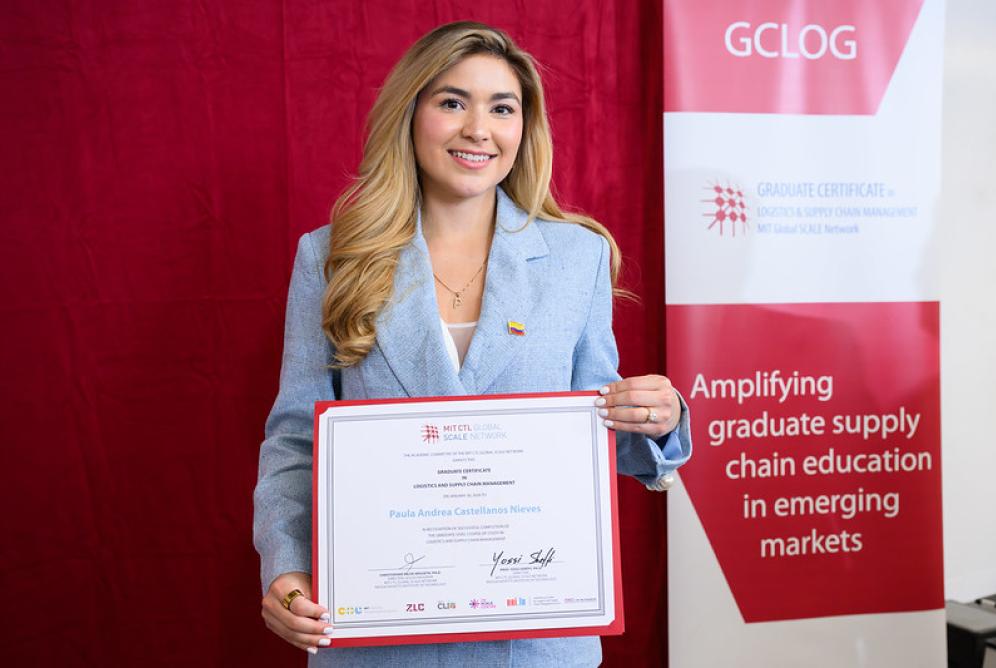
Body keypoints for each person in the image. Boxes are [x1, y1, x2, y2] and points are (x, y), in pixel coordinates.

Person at [253, 20, 692, 666]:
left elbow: (593, 435)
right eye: (453, 102)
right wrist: (286, 568)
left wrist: (658, 418)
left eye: (502, 108)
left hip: (534, 642)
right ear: (410, 114)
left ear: (524, 128)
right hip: (377, 641)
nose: (479, 129)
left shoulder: (578, 258)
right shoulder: (331, 258)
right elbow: (297, 440)